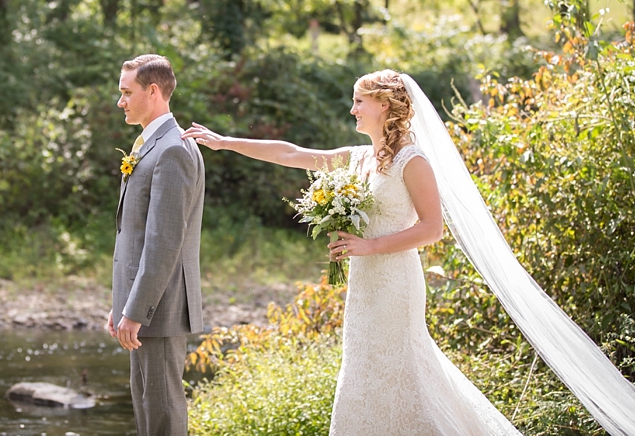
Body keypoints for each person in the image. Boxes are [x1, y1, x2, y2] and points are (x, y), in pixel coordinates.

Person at [182, 69, 521, 435]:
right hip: (364, 283)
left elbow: (431, 228)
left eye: (359, 101)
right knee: (364, 370)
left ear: (384, 105)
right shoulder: (360, 158)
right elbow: (293, 153)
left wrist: (370, 245)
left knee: (403, 368)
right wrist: (226, 142)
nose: (352, 109)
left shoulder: (413, 161)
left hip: (395, 284)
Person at [108, 54, 205, 436]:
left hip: (160, 310)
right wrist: (121, 304)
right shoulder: (149, 144)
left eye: (126, 92)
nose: (121, 102)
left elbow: (163, 242)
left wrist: (137, 310)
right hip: (141, 306)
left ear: (153, 91)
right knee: (147, 410)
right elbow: (132, 237)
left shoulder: (173, 150)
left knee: (163, 412)